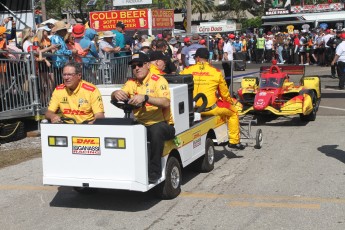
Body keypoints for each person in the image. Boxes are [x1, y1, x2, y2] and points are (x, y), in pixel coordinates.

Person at [111, 52, 175, 183]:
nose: (136, 68)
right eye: (133, 66)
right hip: (140, 123)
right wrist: (115, 94)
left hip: (162, 123)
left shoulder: (159, 80)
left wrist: (145, 98)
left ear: (147, 65)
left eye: (139, 65)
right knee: (118, 130)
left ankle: (154, 172)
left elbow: (166, 102)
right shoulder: (131, 82)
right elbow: (120, 93)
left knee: (155, 132)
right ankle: (120, 168)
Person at [180, 48, 245, 150]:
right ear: (208, 59)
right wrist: (230, 102)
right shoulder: (216, 72)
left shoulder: (186, 70)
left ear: (197, 58)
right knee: (234, 112)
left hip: (190, 110)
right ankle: (234, 141)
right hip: (210, 109)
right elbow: (224, 94)